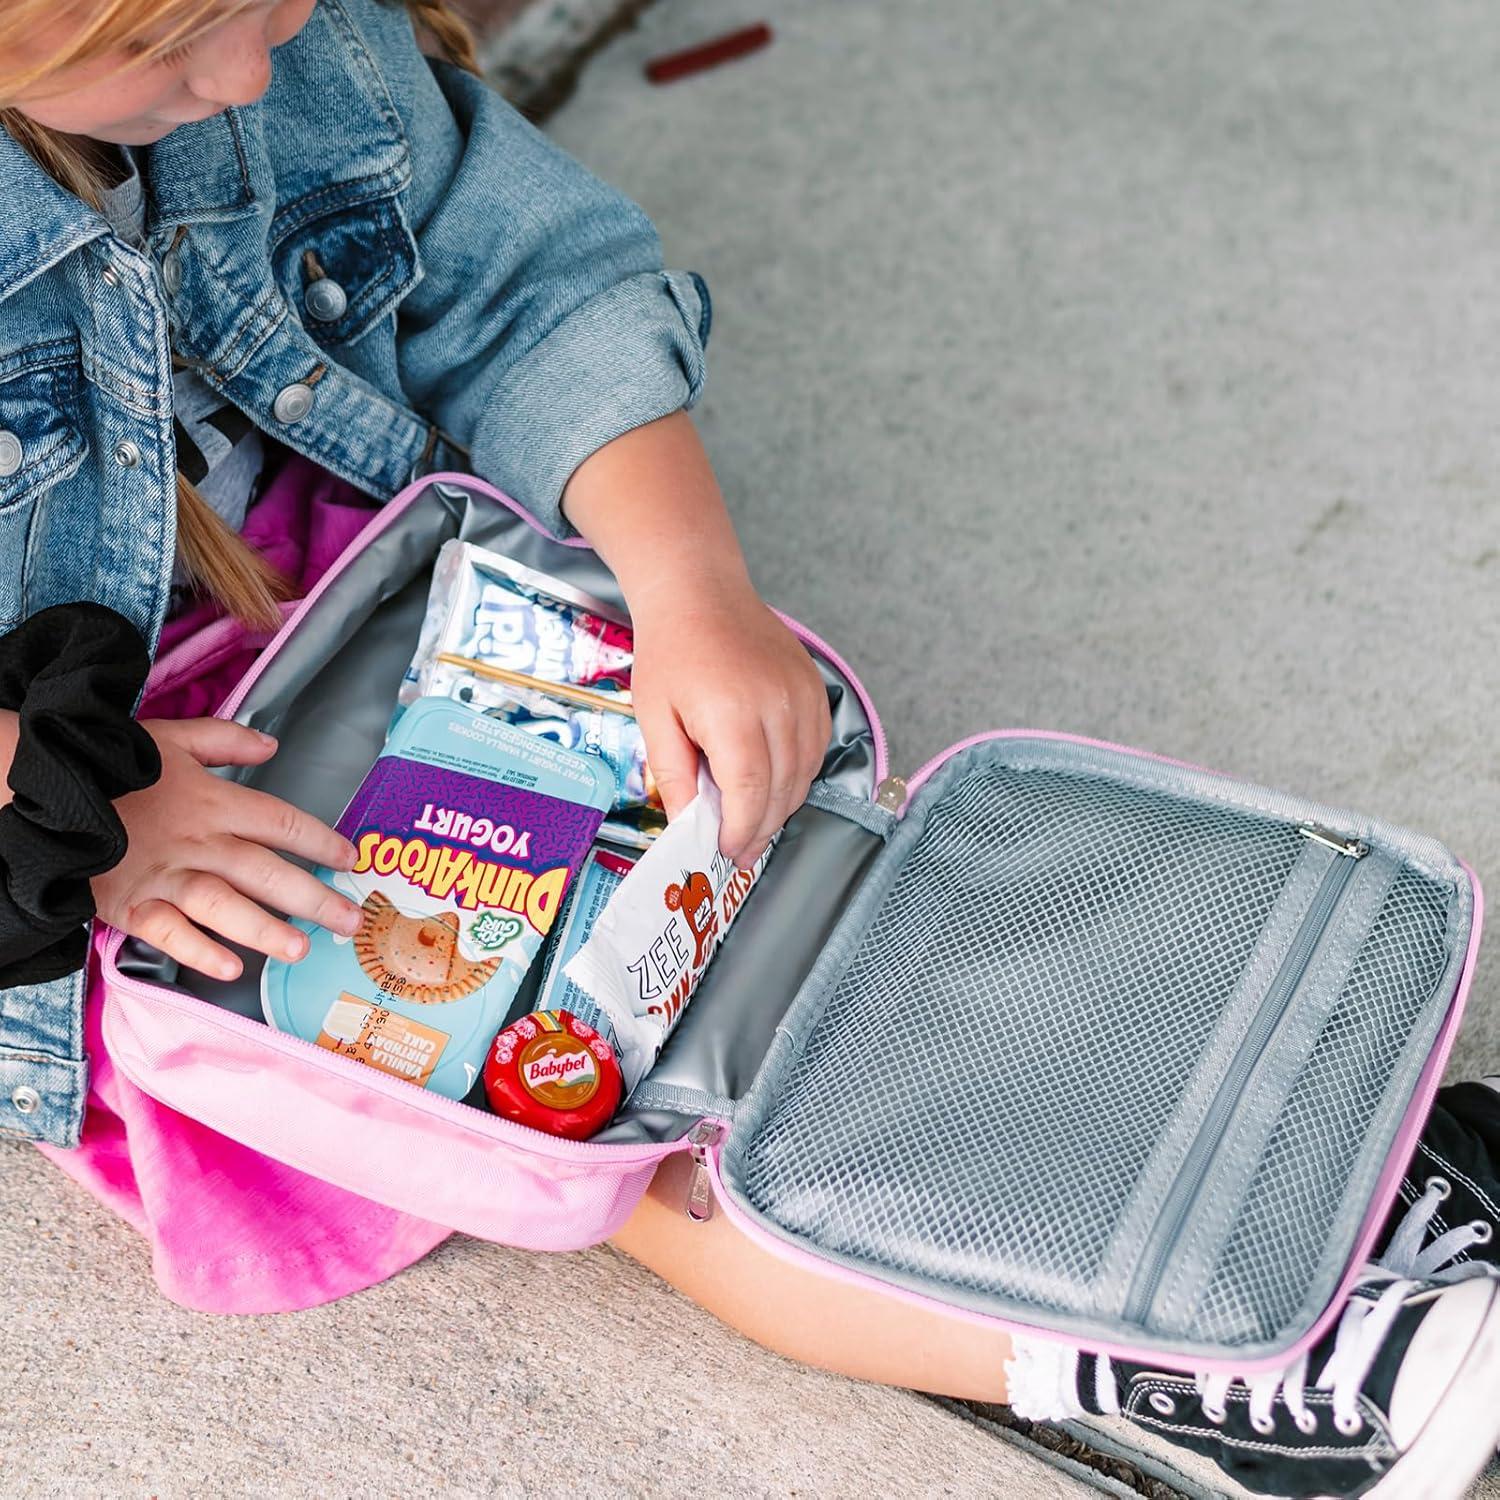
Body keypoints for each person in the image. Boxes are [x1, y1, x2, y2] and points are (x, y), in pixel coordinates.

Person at [0, 6, 1496, 1497]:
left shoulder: (294, 64)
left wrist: (688, 588)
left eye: (279, 4)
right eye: (176, 44)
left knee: (812, 887)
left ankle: (1269, 1164)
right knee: (635, 1139)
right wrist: (92, 825)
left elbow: (527, 293)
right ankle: (1205, 1366)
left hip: (378, 596)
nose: (255, 72)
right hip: (118, 825)